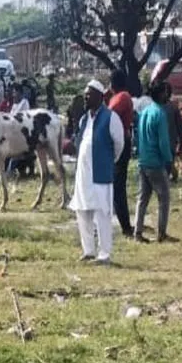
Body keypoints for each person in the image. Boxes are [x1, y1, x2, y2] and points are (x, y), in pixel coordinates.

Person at [70, 79, 125, 263]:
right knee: (83, 212)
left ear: (100, 97)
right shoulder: (84, 119)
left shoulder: (111, 118)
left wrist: (108, 161)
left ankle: (104, 254)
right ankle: (88, 251)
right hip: (83, 175)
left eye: (89, 94)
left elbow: (119, 145)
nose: (85, 97)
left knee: (102, 214)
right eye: (85, 94)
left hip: (100, 174)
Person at [134, 83, 177, 243]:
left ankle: (137, 233)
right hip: (155, 163)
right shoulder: (160, 114)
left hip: (143, 161)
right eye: (166, 93)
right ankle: (162, 234)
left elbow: (138, 138)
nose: (168, 96)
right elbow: (163, 143)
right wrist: (170, 163)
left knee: (142, 198)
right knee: (164, 197)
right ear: (160, 95)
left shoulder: (144, 112)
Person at [107, 70, 137, 236]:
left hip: (121, 144)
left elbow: (109, 116)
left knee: (118, 186)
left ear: (112, 85)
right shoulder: (119, 97)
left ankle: (125, 226)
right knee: (114, 186)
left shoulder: (121, 98)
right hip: (119, 142)